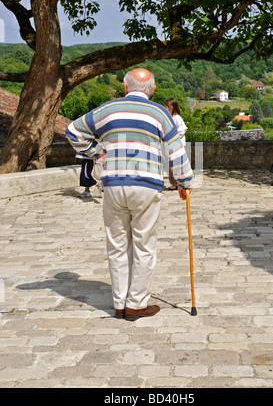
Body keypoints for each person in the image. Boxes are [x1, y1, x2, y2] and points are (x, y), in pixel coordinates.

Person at [66, 68, 193, 321]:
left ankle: (119, 303)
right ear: (153, 90)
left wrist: (96, 151)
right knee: (144, 246)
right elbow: (176, 150)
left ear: (125, 87)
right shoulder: (160, 113)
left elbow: (73, 131)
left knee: (117, 246)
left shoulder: (107, 109)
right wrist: (184, 181)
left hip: (113, 185)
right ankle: (136, 304)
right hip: (146, 185)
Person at [164, 98, 188, 190]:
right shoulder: (172, 118)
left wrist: (173, 137)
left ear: (171, 107)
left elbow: (182, 130)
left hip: (176, 145)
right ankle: (175, 183)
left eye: (166, 107)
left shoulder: (176, 118)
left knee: (174, 165)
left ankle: (176, 184)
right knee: (171, 165)